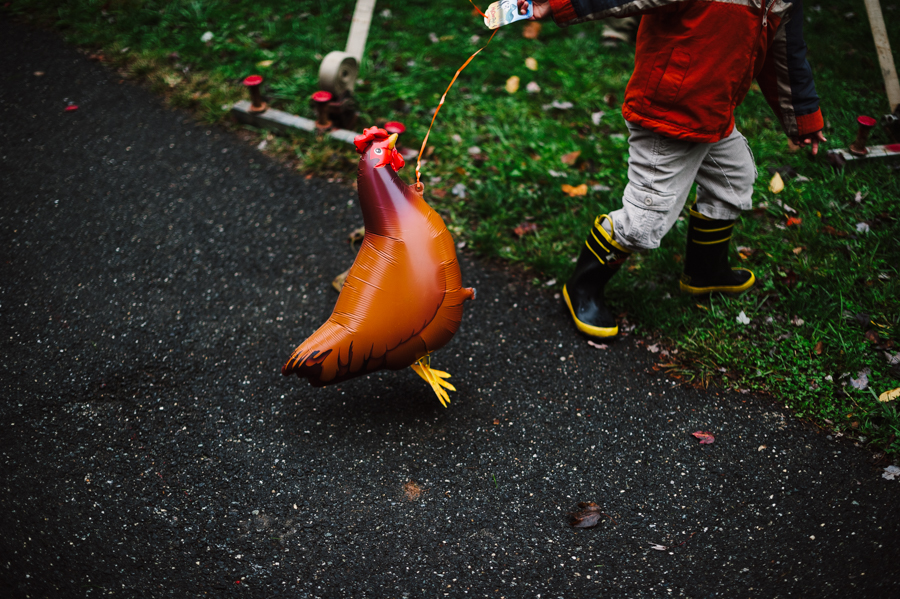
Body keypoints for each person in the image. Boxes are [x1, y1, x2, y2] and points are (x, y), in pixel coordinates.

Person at [518, 0, 826, 338]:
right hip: (668, 113)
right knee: (643, 222)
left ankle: (705, 272)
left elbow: (786, 55)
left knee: (734, 182)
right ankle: (582, 288)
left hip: (714, 114)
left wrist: (803, 119)